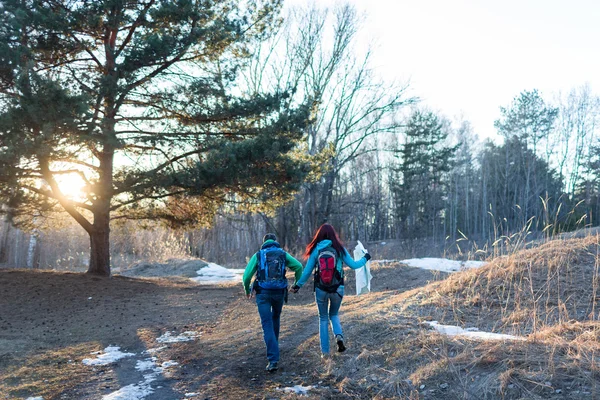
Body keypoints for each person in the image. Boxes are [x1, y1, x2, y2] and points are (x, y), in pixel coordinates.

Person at [290, 224, 371, 357]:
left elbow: (307, 272)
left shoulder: (316, 249)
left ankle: (325, 353)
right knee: (334, 315)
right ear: (334, 234)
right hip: (338, 289)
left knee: (323, 318)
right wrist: (366, 258)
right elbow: (354, 265)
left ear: (319, 235)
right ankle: (339, 337)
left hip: (321, 289)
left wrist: (297, 285)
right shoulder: (339, 249)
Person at [242, 233, 303, 372]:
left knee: (267, 323)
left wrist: (247, 290)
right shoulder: (282, 254)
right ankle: (274, 347)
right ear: (275, 242)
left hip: (263, 293)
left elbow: (246, 277)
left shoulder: (259, 255)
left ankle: (273, 358)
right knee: (275, 317)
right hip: (279, 293)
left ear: (263, 242)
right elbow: (298, 266)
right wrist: (296, 284)